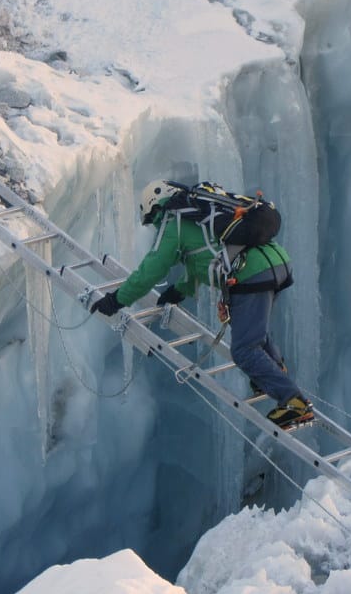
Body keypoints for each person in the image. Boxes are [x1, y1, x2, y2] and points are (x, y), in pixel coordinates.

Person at [89, 179, 313, 427]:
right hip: (276, 264)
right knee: (251, 331)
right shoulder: (199, 217)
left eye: (153, 220)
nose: (155, 227)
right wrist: (180, 290)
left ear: (155, 205)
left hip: (251, 273)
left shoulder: (173, 221)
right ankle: (273, 374)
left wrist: (117, 300)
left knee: (244, 350)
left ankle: (294, 403)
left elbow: (152, 269)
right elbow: (201, 260)